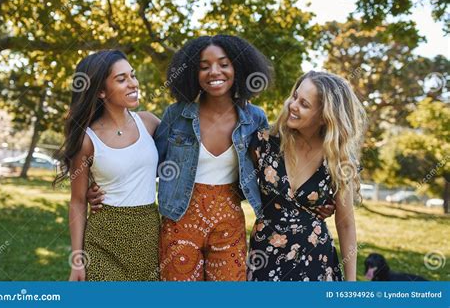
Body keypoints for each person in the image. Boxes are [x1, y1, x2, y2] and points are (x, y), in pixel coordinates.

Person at [153, 35, 273, 281]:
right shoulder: (176, 115)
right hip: (179, 219)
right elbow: (148, 165)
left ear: (237, 68)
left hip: (228, 223)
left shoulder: (255, 118)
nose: (214, 72)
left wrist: (315, 203)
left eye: (223, 64)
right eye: (204, 67)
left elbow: (272, 171)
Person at [247, 71, 367, 281]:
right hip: (264, 258)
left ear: (323, 117)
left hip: (315, 263)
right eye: (294, 97)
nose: (293, 105)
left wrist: (351, 283)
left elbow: (346, 223)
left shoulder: (337, 159)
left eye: (304, 104)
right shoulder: (264, 142)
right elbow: (235, 186)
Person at [54, 50, 161, 281]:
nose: (133, 83)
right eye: (121, 79)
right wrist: (77, 260)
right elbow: (78, 201)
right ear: (101, 91)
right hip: (103, 242)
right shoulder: (86, 141)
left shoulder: (149, 123)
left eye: (132, 75)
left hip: (149, 237)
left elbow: (185, 156)